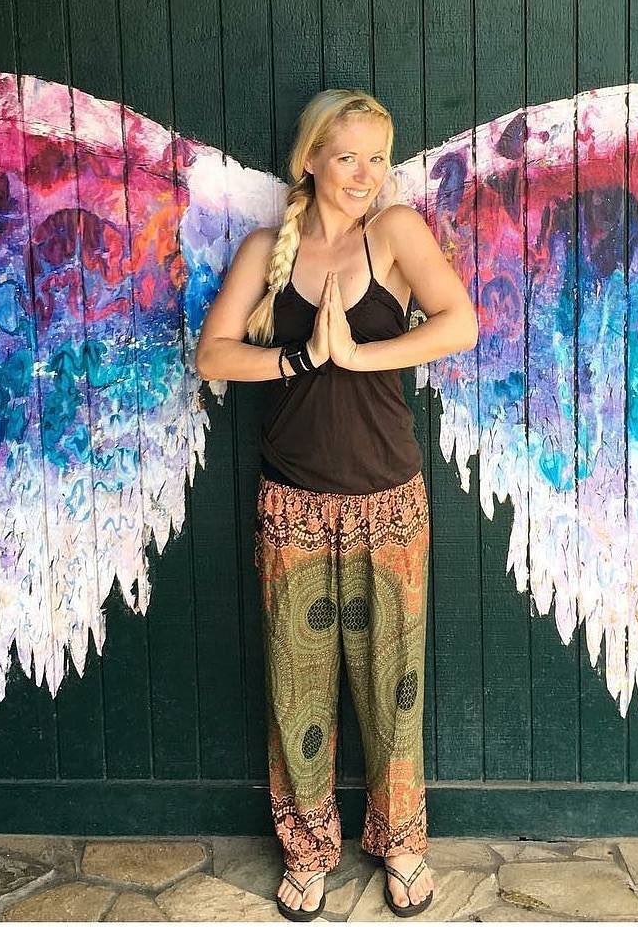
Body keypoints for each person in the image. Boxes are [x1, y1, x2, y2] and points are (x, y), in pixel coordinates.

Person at [195, 90, 478, 920]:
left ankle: (402, 843)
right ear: (310, 159)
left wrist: (357, 355)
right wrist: (297, 360)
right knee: (297, 690)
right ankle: (308, 847)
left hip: (388, 501)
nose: (365, 175)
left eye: (377, 158)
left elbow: (460, 323)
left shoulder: (392, 234)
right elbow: (214, 356)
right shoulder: (266, 251)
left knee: (395, 687)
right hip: (294, 505)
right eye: (348, 156)